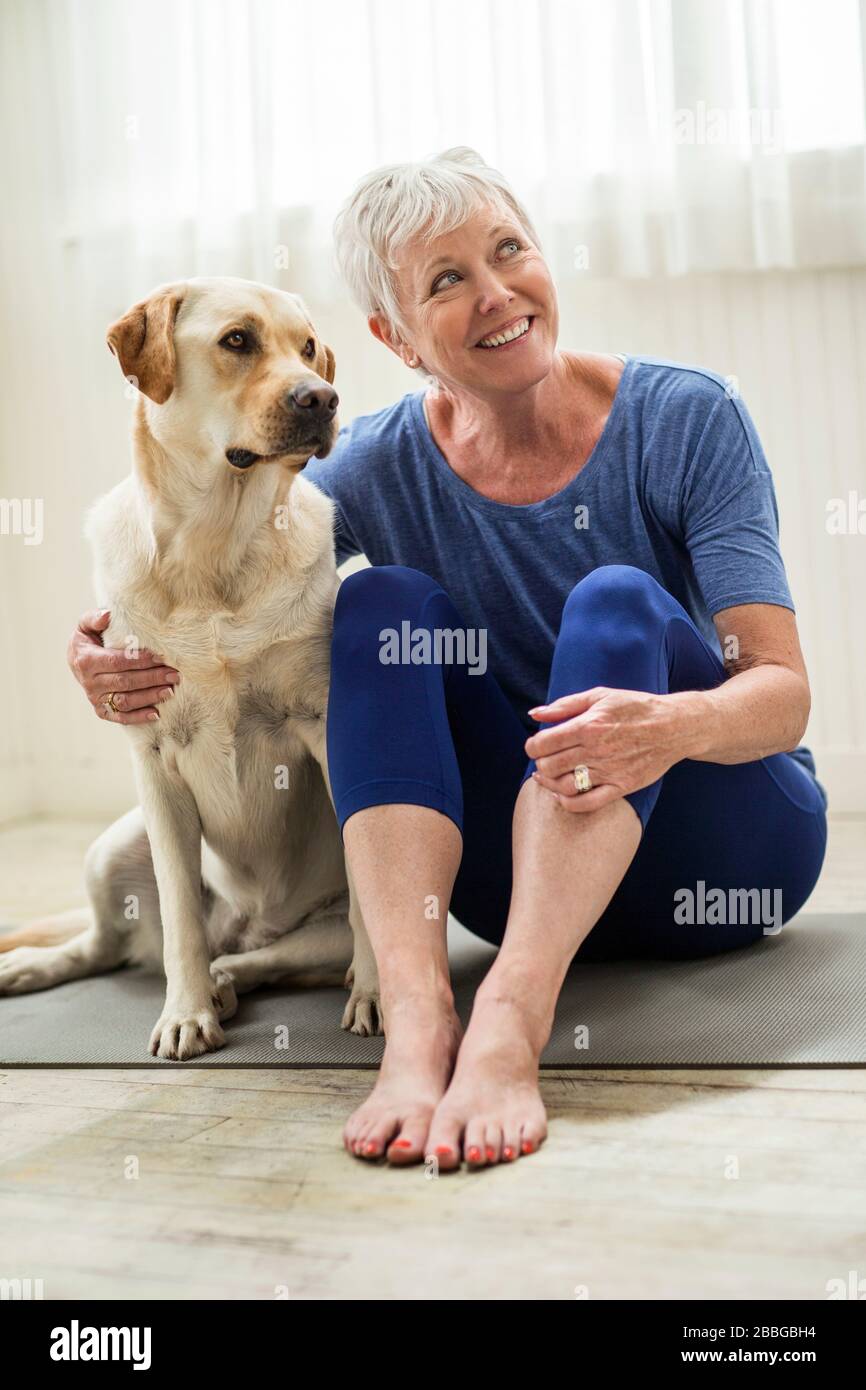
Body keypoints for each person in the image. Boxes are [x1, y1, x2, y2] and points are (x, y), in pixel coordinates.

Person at [68, 147, 828, 1172]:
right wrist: (112, 644)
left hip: (726, 845)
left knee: (612, 603)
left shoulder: (685, 418)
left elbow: (779, 698)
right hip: (506, 881)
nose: (496, 292)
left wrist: (666, 728)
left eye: (509, 250)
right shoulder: (367, 466)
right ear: (392, 337)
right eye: (445, 280)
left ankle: (508, 1019)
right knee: (373, 603)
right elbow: (239, 589)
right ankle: (420, 1024)